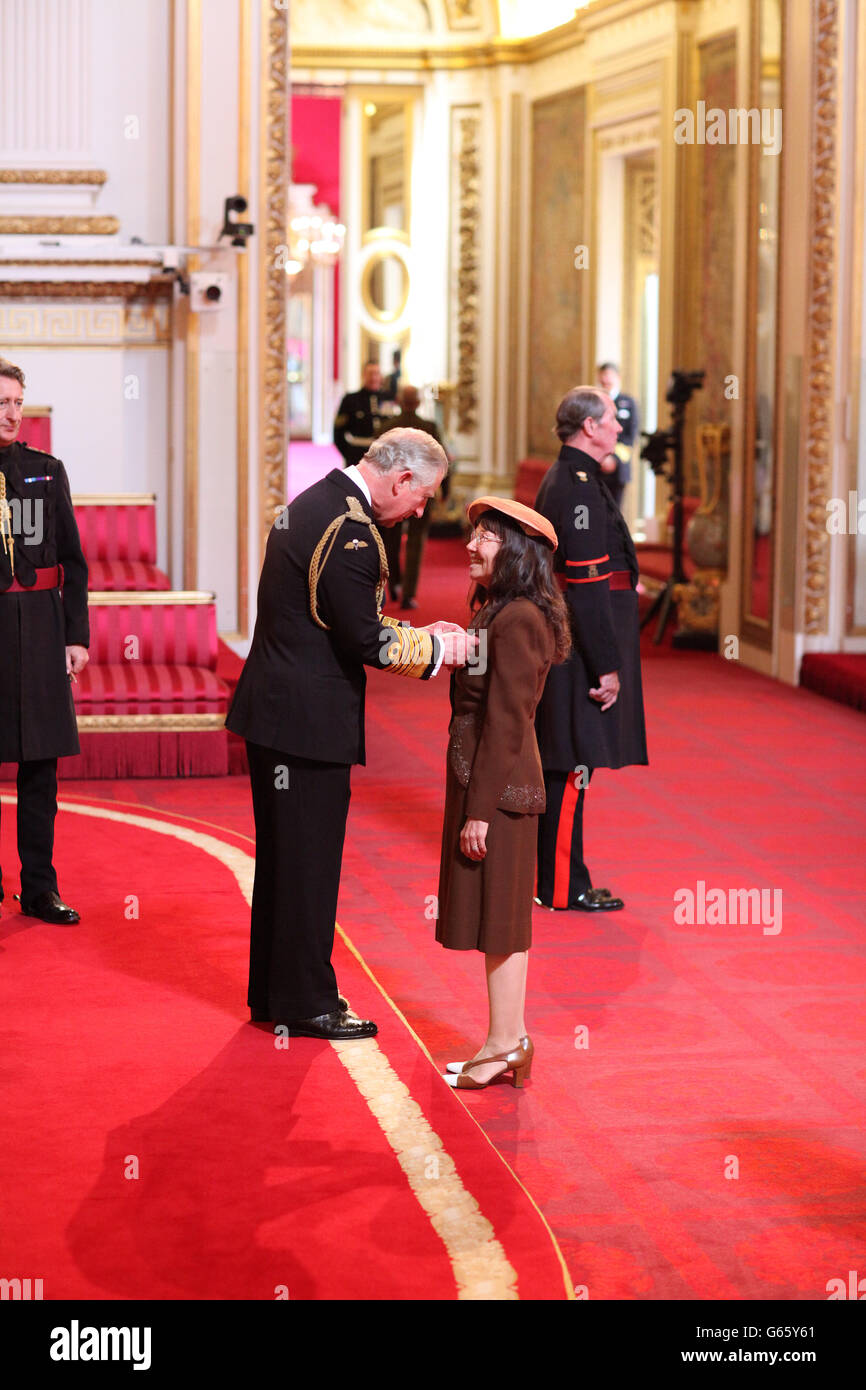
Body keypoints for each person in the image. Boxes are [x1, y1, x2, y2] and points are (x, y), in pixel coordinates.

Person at [226, 428, 472, 1041]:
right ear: (400, 479)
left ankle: (275, 993)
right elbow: (365, 641)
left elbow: (338, 614)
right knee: (307, 865)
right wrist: (440, 647)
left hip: (278, 712)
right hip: (306, 724)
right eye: (423, 497)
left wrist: (413, 630)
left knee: (285, 862)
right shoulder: (353, 530)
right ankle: (308, 1001)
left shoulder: (320, 503)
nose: (421, 510)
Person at [436, 497, 570, 1090]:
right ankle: (505, 1041)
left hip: (503, 789)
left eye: (485, 537)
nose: (471, 545)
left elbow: (509, 721)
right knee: (498, 920)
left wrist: (480, 812)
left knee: (505, 923)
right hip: (491, 780)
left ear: (515, 551)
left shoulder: (518, 619)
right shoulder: (504, 610)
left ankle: (504, 1045)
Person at [534, 387, 648, 913]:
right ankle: (562, 885)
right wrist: (607, 665)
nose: (619, 428)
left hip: (578, 641)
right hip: (580, 649)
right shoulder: (576, 485)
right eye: (611, 421)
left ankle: (568, 877)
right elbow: (584, 583)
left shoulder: (577, 476)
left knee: (575, 766)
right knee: (573, 765)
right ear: (587, 428)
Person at [0, 358, 89, 925]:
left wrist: (75, 636)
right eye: (0, 403)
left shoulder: (46, 470)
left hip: (39, 627)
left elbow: (74, 561)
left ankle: (39, 888)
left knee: (41, 766)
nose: (10, 413)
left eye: (15, 403)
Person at [381, 385, 446, 610]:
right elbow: (441, 460)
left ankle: (395, 582)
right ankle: (408, 594)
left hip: (393, 492)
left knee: (391, 538)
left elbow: (377, 462)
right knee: (416, 543)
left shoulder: (387, 427)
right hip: (421, 493)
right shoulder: (428, 427)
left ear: (399, 401)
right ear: (418, 403)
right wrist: (443, 489)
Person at [596, 362, 639, 510]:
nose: (606, 379)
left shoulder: (628, 403)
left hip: (618, 465)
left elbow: (630, 437)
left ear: (618, 377)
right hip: (597, 465)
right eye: (603, 375)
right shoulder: (595, 402)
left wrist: (613, 458)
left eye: (609, 375)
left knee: (614, 512)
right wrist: (601, 457)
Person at [333, 361, 386, 470]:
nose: (373, 378)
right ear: (363, 375)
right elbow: (338, 431)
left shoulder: (387, 399)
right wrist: (349, 454)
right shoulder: (350, 399)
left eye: (376, 373)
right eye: (370, 373)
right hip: (357, 456)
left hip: (383, 458)